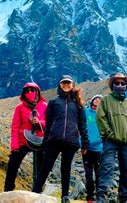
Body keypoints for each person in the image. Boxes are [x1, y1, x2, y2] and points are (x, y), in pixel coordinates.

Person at [32, 75, 89, 203]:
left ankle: (65, 196)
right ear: (60, 85)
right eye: (63, 83)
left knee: (66, 169)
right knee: (46, 167)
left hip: (71, 141)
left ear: (72, 85)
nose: (66, 85)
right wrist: (45, 141)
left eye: (68, 83)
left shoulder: (78, 104)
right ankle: (35, 192)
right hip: (54, 140)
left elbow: (82, 125)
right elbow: (48, 122)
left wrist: (85, 143)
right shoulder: (53, 102)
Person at [95, 72, 127, 203]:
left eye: (123, 83)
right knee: (107, 168)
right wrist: (108, 134)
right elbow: (100, 117)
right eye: (117, 83)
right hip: (111, 142)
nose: (120, 85)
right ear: (112, 85)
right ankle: (101, 198)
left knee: (126, 171)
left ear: (126, 86)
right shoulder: (106, 100)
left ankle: (123, 198)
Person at [4, 82, 48, 192]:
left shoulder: (45, 106)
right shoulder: (20, 108)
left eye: (32, 90)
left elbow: (50, 123)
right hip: (23, 141)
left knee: (40, 168)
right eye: (27, 91)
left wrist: (39, 122)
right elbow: (15, 127)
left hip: (40, 141)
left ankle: (38, 192)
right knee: (12, 165)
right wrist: (14, 146)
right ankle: (8, 190)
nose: (29, 92)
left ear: (37, 91)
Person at [82, 95, 103, 202]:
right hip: (86, 149)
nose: (97, 101)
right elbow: (80, 126)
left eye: (100, 100)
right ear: (92, 101)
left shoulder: (104, 114)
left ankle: (99, 198)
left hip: (99, 149)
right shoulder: (86, 112)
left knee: (99, 176)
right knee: (89, 177)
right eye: (96, 99)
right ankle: (90, 197)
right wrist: (82, 144)